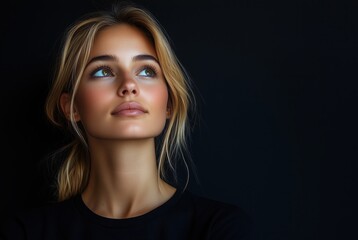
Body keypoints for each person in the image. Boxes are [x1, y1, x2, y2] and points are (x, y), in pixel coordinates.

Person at [0, 2, 254, 239]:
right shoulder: (27, 231)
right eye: (103, 71)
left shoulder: (219, 227)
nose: (129, 85)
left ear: (168, 103)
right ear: (72, 107)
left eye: (146, 71)